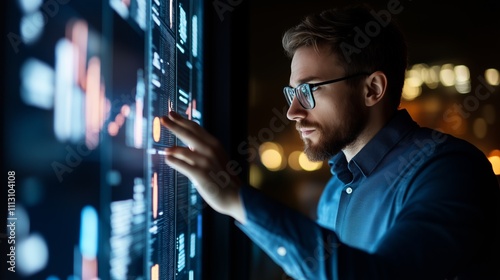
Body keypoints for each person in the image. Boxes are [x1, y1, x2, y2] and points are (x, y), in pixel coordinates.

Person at [160, 3, 500, 279]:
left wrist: (236, 199)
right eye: (292, 92)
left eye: (308, 90)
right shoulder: (334, 194)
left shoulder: (449, 170)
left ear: (372, 89)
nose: (292, 110)